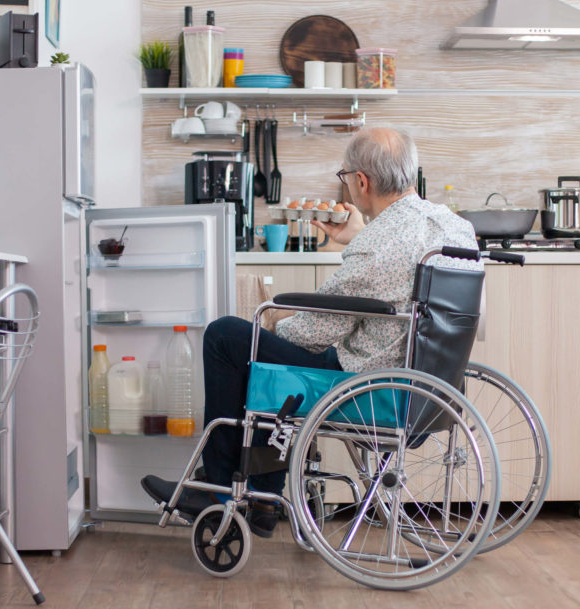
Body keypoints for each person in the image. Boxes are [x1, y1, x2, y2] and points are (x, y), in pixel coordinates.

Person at [142, 127, 481, 537]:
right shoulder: (455, 227)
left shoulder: (377, 244)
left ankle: (222, 493)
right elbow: (400, 269)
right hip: (427, 389)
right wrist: (358, 237)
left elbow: (313, 333)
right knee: (268, 364)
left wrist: (269, 321)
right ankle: (261, 498)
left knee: (228, 338)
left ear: (361, 181)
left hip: (368, 389)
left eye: (346, 176)